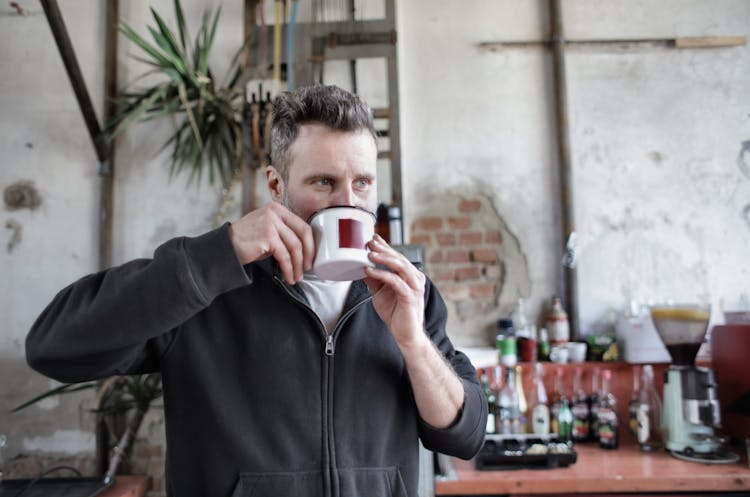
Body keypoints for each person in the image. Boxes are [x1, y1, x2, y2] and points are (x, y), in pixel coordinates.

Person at [26, 85, 487, 497]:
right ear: (276, 185)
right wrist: (219, 254)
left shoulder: (408, 293)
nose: (348, 202)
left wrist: (413, 343)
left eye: (362, 183)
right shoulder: (208, 290)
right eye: (324, 182)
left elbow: (464, 436)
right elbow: (53, 348)